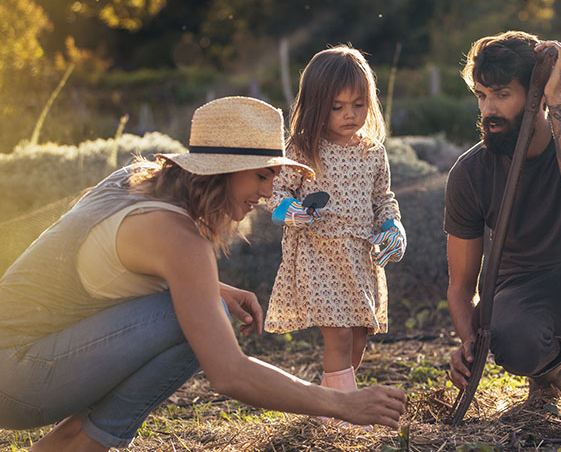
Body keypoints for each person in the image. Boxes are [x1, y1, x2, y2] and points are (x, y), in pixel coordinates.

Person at [0, 96, 406, 451]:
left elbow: (106, 261)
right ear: (222, 171)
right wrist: (341, 403)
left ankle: (68, 444)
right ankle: (80, 444)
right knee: (196, 321)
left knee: (202, 306)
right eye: (262, 175)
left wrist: (213, 287)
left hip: (16, 362)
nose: (269, 192)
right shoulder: (179, 239)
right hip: (15, 379)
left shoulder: (133, 182)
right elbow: (229, 374)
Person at [445, 31, 561, 412]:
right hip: (524, 291)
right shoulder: (470, 173)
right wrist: (468, 341)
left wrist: (556, 102)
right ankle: (550, 372)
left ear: (537, 93)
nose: (488, 110)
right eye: (481, 96)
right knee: (512, 337)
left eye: (502, 95)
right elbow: (461, 285)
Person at [265, 45, 406, 426]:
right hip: (319, 253)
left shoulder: (372, 152)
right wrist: (289, 210)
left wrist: (392, 225)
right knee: (339, 336)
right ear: (316, 105)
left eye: (358, 105)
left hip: (360, 256)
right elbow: (276, 191)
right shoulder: (303, 149)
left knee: (357, 339)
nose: (350, 115)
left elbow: (383, 198)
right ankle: (344, 419)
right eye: (337, 106)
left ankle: (324, 411)